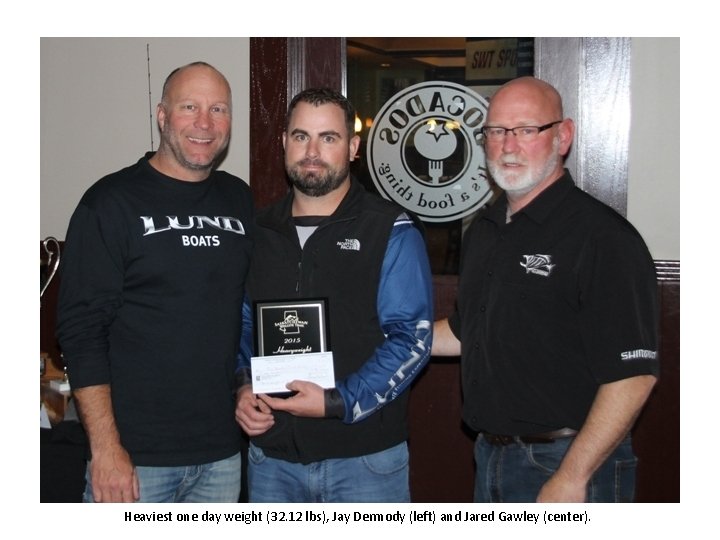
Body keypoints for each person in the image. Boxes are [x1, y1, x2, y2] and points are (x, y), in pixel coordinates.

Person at [432, 76, 659, 503]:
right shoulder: (486, 229)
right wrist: (387, 336)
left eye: (525, 130)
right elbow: (468, 331)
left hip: (568, 462)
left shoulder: (603, 238)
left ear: (563, 136)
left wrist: (572, 476)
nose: (508, 145)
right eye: (496, 131)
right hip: (490, 456)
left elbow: (634, 376)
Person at [56, 62, 254, 503]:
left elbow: (243, 313)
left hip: (222, 455)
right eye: (190, 107)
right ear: (162, 116)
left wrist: (246, 385)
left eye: (218, 109)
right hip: (134, 459)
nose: (205, 123)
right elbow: (81, 332)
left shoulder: (239, 199)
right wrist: (106, 448)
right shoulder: (109, 203)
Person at [234, 88, 433, 502]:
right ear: (284, 143)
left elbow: (411, 337)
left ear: (353, 147)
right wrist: (243, 388)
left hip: (364, 461)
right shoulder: (258, 231)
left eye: (329, 138)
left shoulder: (390, 229)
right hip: (272, 460)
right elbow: (244, 325)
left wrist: (337, 401)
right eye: (301, 136)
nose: (312, 151)